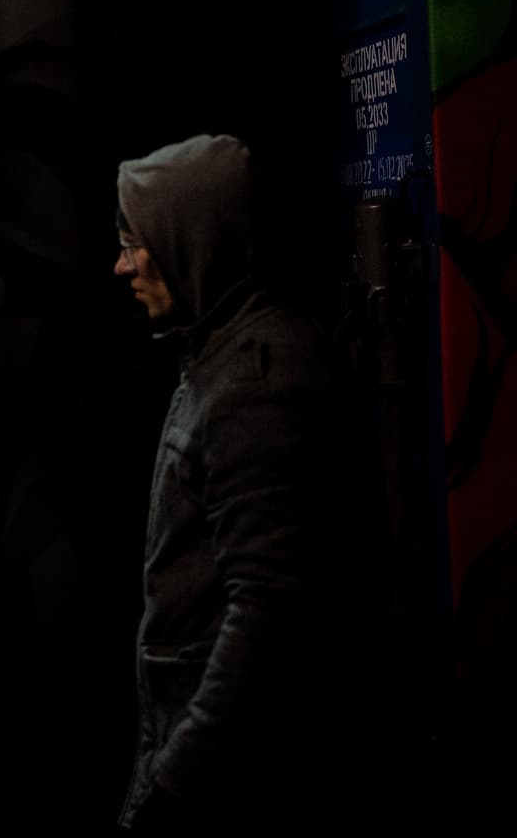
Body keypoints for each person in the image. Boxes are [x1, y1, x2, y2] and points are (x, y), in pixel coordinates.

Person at [113, 135, 370, 833]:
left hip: (221, 787)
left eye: (134, 245)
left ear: (189, 243)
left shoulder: (258, 382)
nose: (121, 265)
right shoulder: (220, 351)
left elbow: (267, 611)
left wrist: (178, 785)